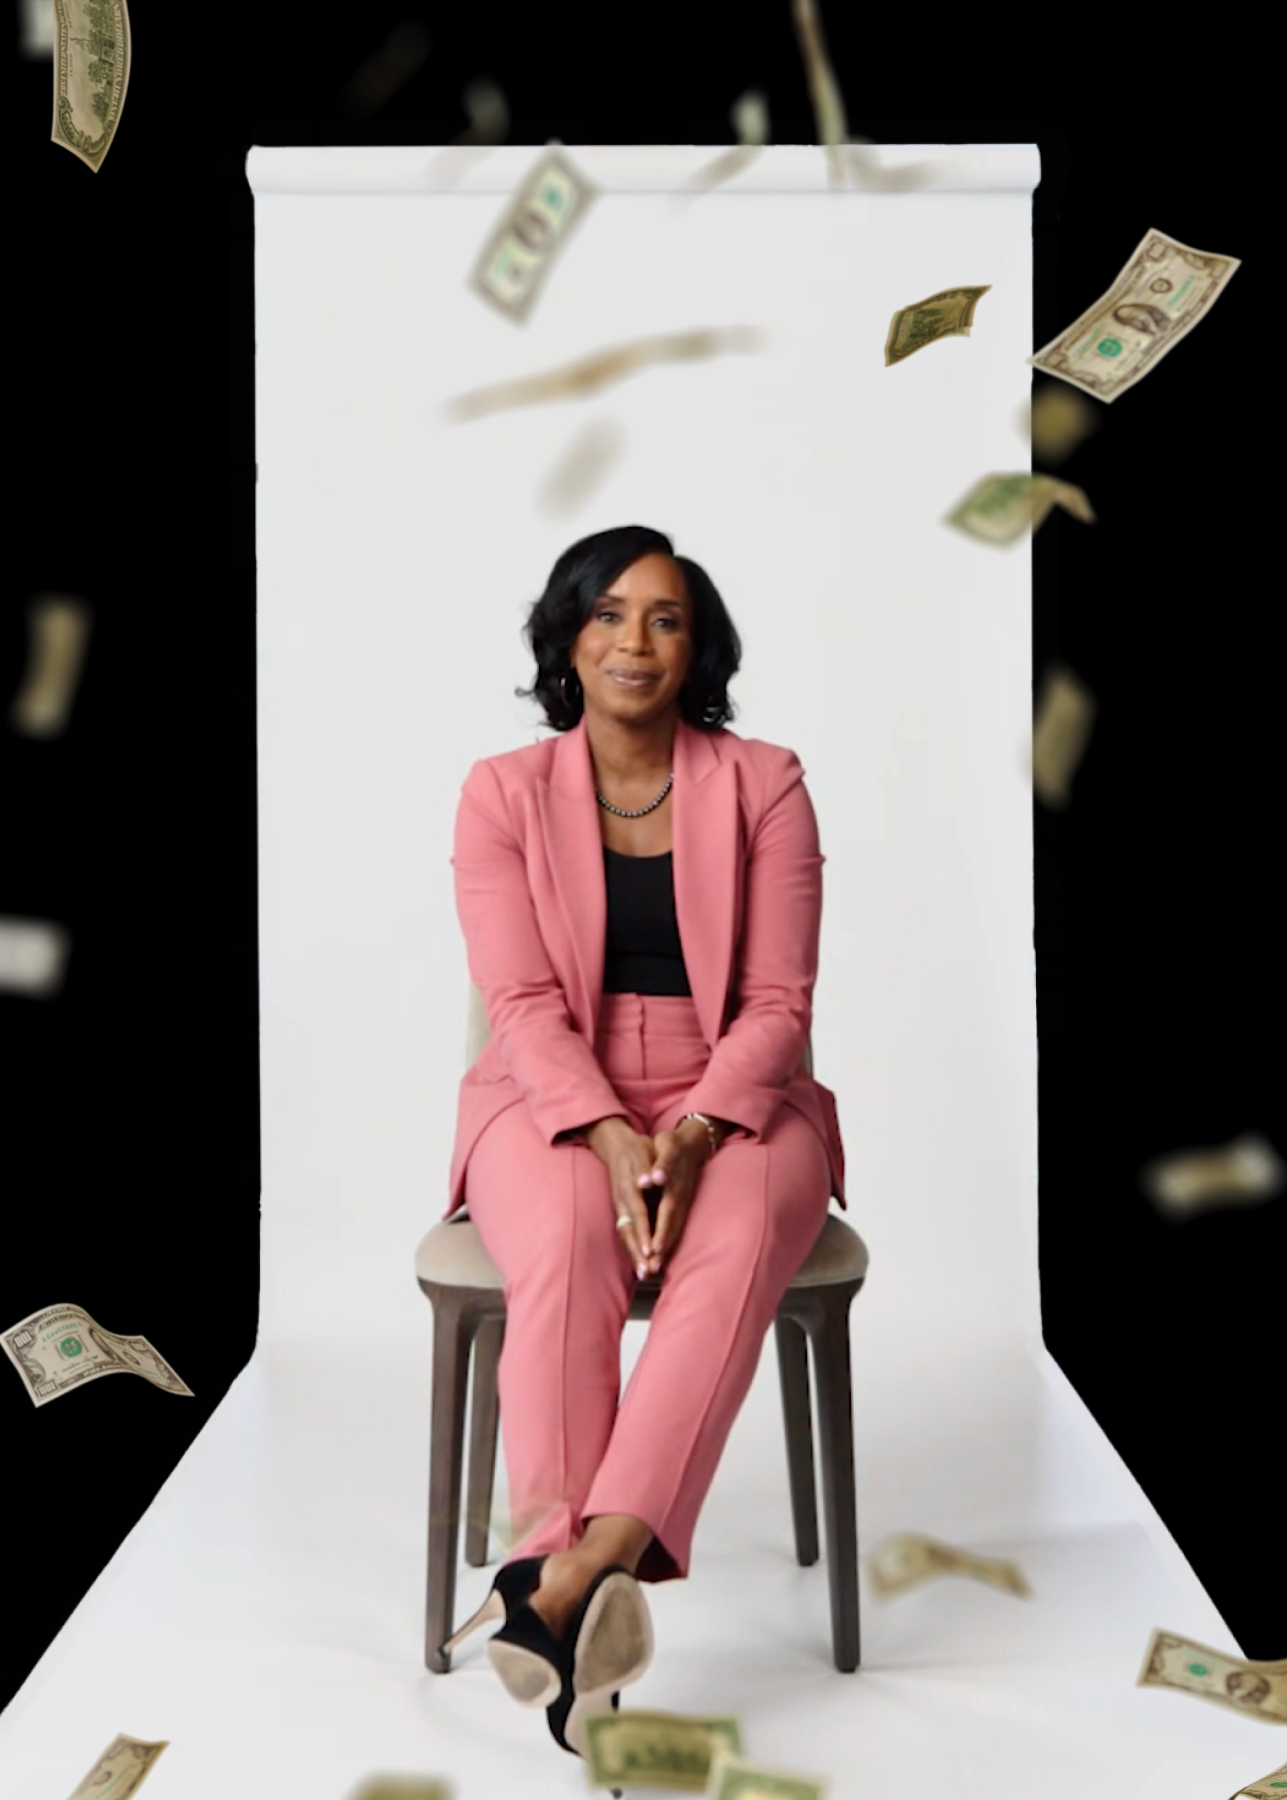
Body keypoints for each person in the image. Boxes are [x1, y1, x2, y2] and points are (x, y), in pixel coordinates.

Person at [437, 525, 848, 1758]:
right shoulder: (499, 792)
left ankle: (560, 1579)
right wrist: (613, 1136)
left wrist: (701, 1127)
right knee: (563, 1243)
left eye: (664, 619)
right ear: (567, 637)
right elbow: (519, 1005)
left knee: (727, 1257)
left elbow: (778, 1003)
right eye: (608, 614)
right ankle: (586, 1587)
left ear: (696, 647)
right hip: (549, 1092)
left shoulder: (763, 780)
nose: (634, 641)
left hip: (737, 1094)